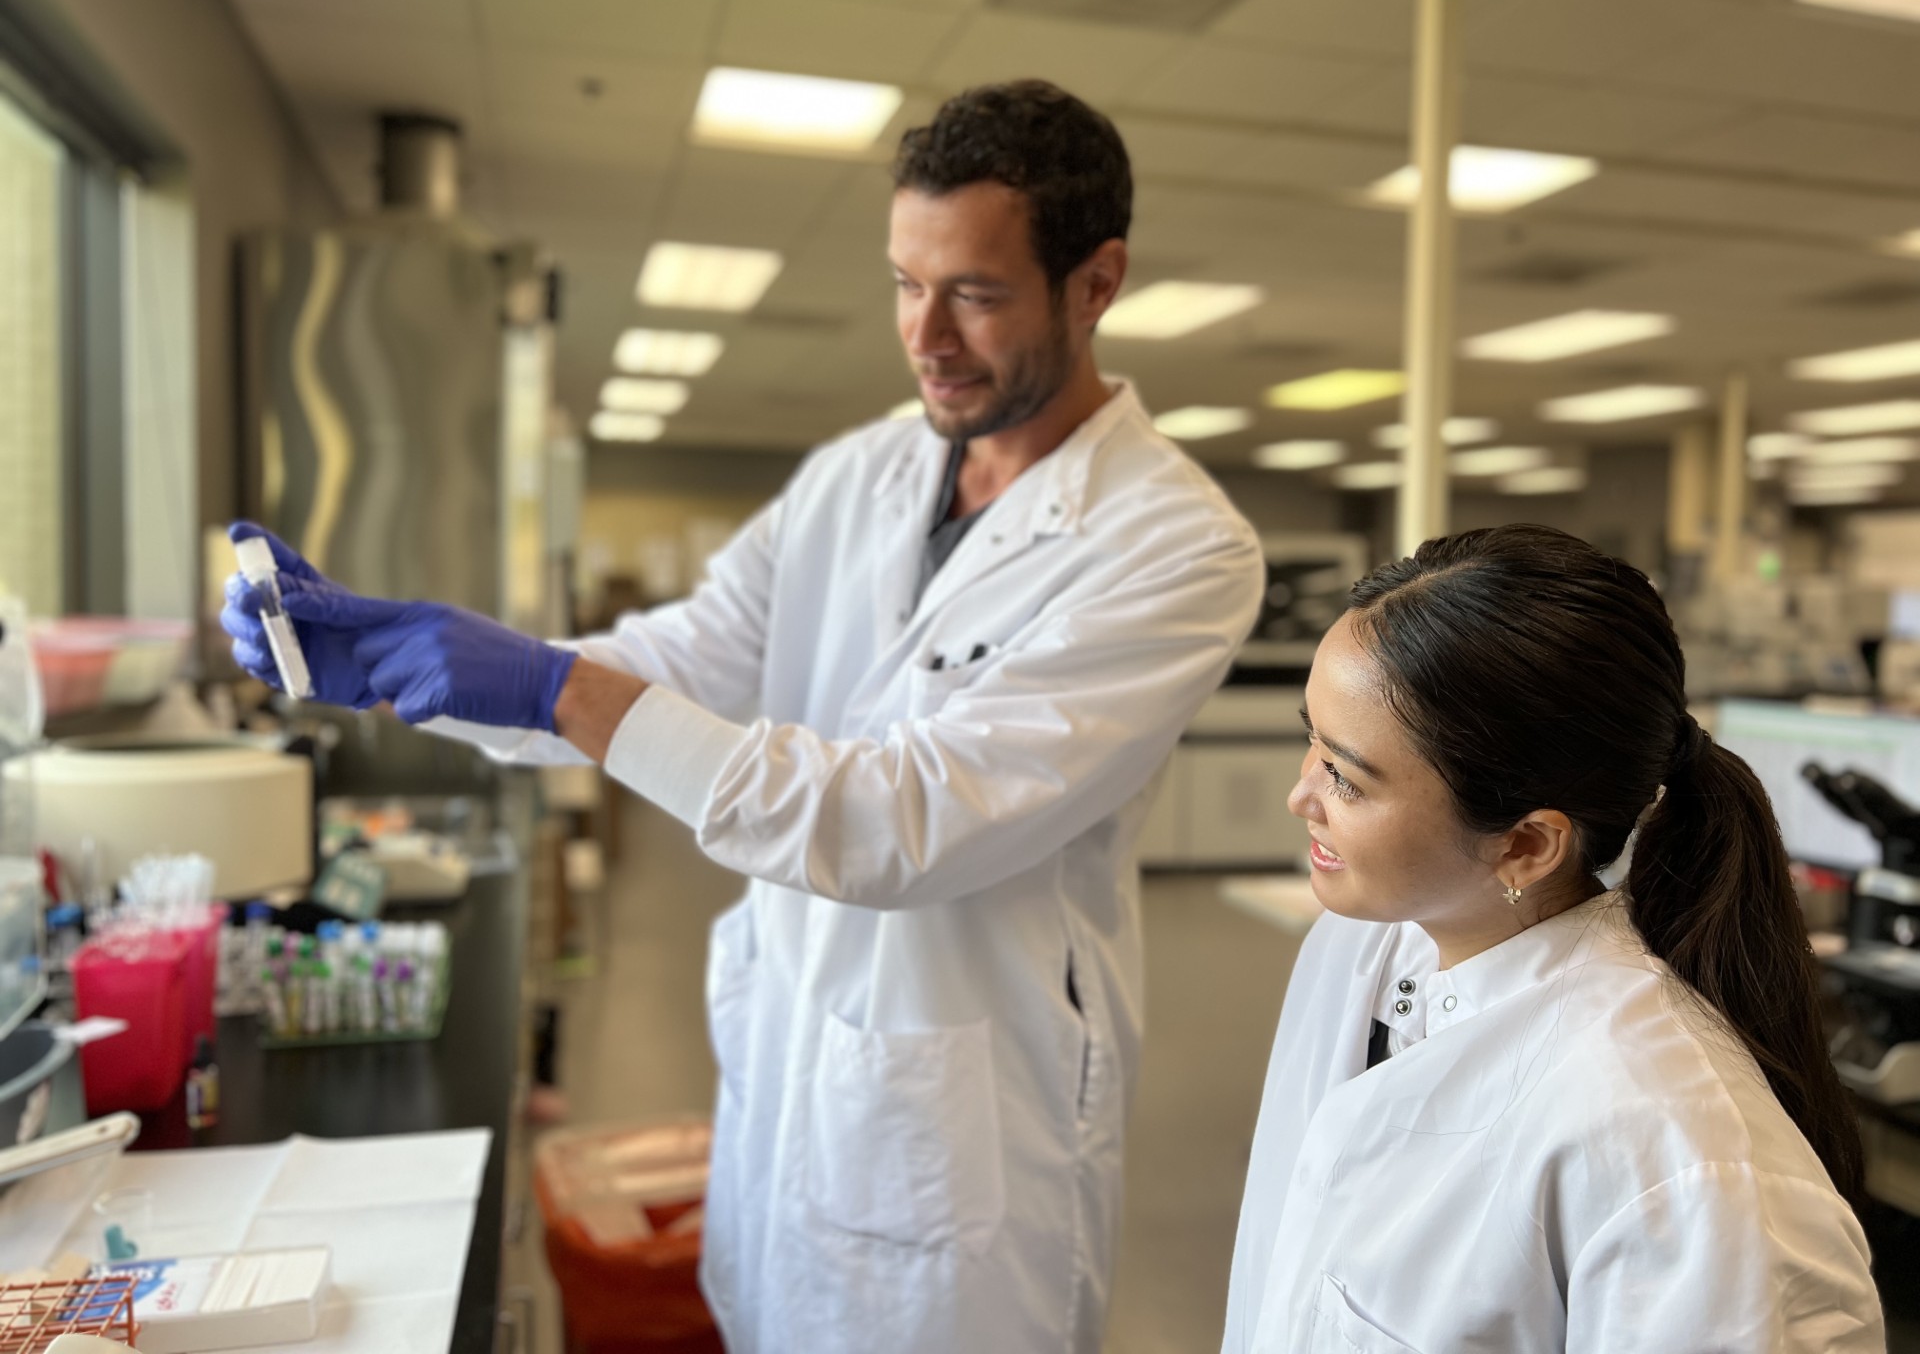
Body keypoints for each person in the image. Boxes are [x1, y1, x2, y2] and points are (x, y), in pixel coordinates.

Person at [225, 80, 1267, 1353]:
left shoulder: (1176, 547)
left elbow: (906, 824)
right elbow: (681, 662)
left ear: (1096, 282)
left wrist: (555, 684)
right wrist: (401, 664)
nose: (924, 334)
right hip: (789, 1091)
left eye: (975, 294)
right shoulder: (861, 472)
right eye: (902, 282)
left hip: (966, 1145)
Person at [1221, 523, 1884, 1353]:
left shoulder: (1675, 1155)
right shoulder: (1360, 946)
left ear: (1527, 845)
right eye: (1311, 741)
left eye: (1346, 778)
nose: (1299, 796)